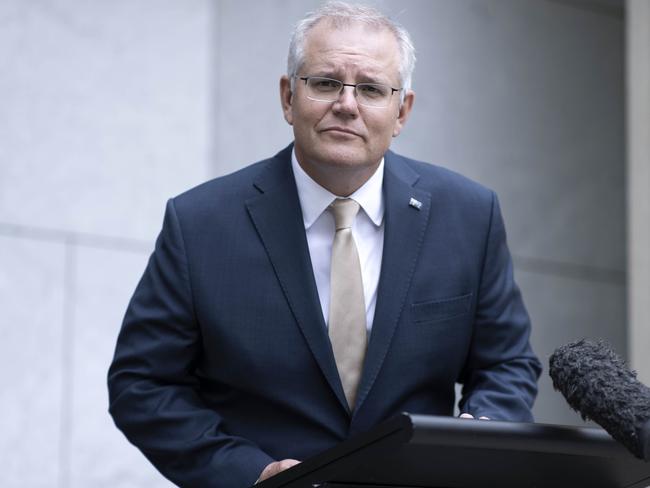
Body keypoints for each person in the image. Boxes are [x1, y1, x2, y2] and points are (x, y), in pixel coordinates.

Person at [107, 2, 542, 487]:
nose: (347, 105)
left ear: (402, 111)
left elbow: (507, 362)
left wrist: (480, 434)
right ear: (288, 96)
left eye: (372, 89)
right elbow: (141, 385)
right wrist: (250, 473)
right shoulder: (200, 224)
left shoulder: (468, 215)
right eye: (326, 82)